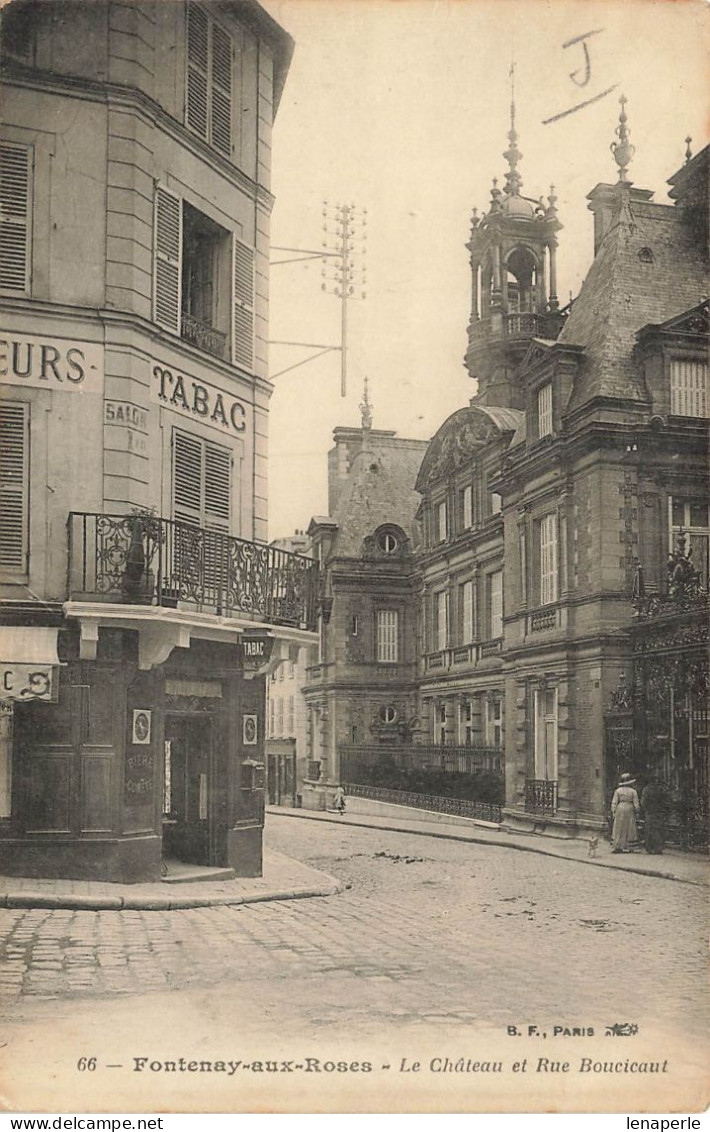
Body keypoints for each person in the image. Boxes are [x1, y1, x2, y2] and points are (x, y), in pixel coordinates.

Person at [610, 773, 640, 853]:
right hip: (630, 808)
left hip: (620, 808)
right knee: (630, 827)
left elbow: (614, 802)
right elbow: (636, 803)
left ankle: (618, 846)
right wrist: (637, 811)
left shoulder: (618, 791)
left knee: (619, 827)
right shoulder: (633, 791)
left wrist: (613, 811)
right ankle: (630, 846)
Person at [641, 777, 670, 854]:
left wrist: (645, 809)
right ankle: (659, 847)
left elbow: (643, 802)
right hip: (659, 812)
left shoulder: (646, 790)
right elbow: (666, 800)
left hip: (650, 812)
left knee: (649, 829)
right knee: (659, 829)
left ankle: (650, 848)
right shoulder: (660, 789)